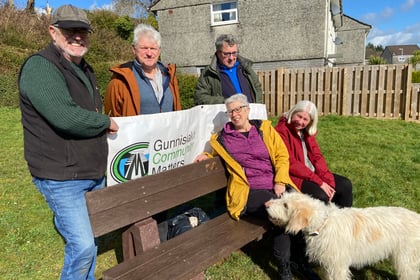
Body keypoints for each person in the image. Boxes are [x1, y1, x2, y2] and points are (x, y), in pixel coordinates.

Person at [18, 5, 119, 280]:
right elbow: (64, 116)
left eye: (83, 31)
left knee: (90, 242)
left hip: (89, 171)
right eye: (70, 30)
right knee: (83, 246)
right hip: (61, 176)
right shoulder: (40, 66)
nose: (77, 37)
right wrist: (104, 122)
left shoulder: (84, 68)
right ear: (53, 32)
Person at [195, 94, 320, 280]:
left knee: (300, 211)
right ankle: (285, 267)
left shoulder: (264, 129)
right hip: (249, 191)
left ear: (247, 110)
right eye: (231, 111)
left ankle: (300, 260)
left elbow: (281, 156)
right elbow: (213, 152)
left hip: (275, 185)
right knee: (279, 215)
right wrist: (206, 154)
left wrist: (280, 181)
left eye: (238, 109)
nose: (235, 114)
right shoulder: (222, 139)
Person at [275, 100, 353, 207]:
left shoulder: (306, 131)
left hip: (311, 173)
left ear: (311, 121)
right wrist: (320, 182)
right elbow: (291, 163)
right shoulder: (281, 130)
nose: (301, 122)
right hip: (295, 176)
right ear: (293, 112)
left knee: (345, 185)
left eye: (305, 119)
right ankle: (322, 222)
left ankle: (345, 220)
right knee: (321, 196)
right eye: (299, 116)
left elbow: (317, 157)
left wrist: (328, 181)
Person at [104, 23, 181, 117]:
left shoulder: (169, 76)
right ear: (134, 49)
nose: (149, 53)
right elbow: (113, 118)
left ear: (159, 51)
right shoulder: (120, 80)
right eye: (144, 48)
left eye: (153, 48)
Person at [194, 34, 262, 105]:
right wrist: (226, 102)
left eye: (234, 53)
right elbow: (199, 97)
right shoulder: (209, 73)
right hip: (225, 115)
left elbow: (257, 87)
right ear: (218, 53)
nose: (231, 58)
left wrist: (258, 107)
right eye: (226, 54)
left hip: (250, 114)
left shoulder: (245, 67)